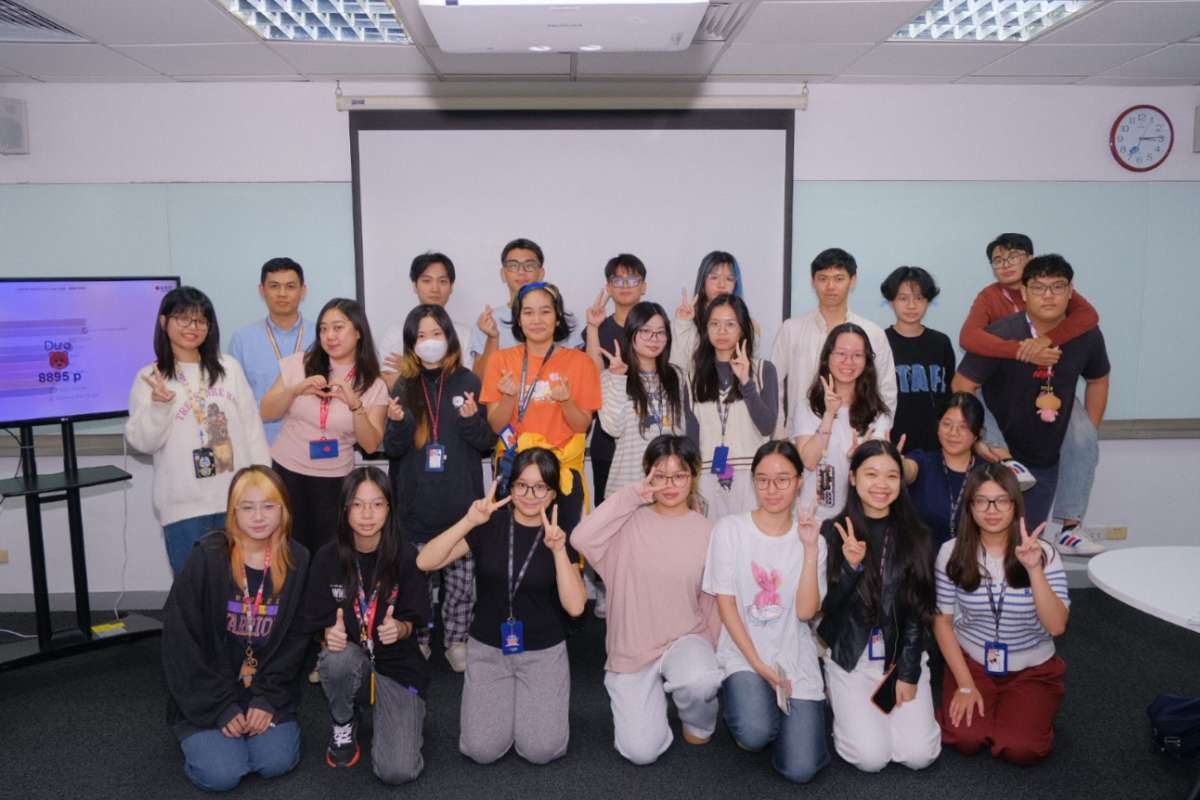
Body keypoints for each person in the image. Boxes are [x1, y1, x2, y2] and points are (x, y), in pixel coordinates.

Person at [416, 449, 588, 765]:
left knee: (541, 751)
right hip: (488, 648)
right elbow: (425, 561)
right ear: (510, 486)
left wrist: (560, 551)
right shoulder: (490, 524)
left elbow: (576, 607)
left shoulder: (558, 533)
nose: (530, 495)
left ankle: (534, 707)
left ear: (551, 493)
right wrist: (469, 521)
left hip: (542, 651)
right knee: (481, 750)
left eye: (540, 488)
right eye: (522, 485)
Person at [570, 435, 721, 766]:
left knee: (701, 679)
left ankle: (697, 718)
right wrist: (632, 495)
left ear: (693, 476)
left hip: (685, 637)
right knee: (640, 752)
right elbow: (580, 538)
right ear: (647, 475)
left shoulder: (708, 531)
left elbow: (712, 600)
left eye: (679, 475)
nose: (669, 484)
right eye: (660, 475)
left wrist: (709, 654)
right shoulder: (627, 522)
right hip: (633, 649)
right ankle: (653, 704)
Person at [161, 465, 310, 792]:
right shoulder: (207, 558)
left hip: (265, 689)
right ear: (233, 512)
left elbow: (297, 641)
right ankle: (206, 740)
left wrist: (268, 698)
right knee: (222, 775)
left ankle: (244, 732)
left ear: (283, 511)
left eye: (269, 506)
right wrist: (221, 707)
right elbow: (180, 642)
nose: (259, 516)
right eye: (248, 507)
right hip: (208, 692)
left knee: (275, 762)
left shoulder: (297, 560)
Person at [952, 254, 1110, 553]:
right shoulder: (1002, 332)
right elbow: (961, 386)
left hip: (1045, 460)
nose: (1048, 295)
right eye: (1038, 287)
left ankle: (1069, 529)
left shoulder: (1086, 334)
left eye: (1057, 287)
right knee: (982, 549)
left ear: (1070, 291)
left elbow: (1098, 379)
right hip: (996, 459)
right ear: (1023, 292)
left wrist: (1084, 436)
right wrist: (980, 439)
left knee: (1025, 548)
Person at [702, 440, 829, 784]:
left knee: (801, 770)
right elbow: (726, 604)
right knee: (754, 733)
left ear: (800, 481)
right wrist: (759, 666)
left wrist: (809, 548)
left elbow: (805, 612)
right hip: (745, 651)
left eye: (783, 480)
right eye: (762, 480)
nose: (772, 490)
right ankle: (753, 702)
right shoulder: (730, 530)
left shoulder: (814, 537)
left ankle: (783, 712)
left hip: (793, 651)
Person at [382, 304, 496, 672]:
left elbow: (485, 443)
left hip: (460, 505)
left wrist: (469, 421)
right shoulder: (403, 384)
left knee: (461, 584)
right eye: (421, 336)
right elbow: (394, 449)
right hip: (416, 506)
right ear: (411, 344)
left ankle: (456, 639)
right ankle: (419, 638)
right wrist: (397, 424)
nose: (430, 342)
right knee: (416, 581)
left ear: (449, 337)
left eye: (436, 334)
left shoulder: (468, 382)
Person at [127, 286, 270, 574]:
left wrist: (263, 490)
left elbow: (252, 431)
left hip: (236, 501)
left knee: (240, 589)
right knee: (194, 594)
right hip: (184, 507)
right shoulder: (150, 378)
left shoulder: (229, 368)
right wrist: (159, 406)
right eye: (183, 319)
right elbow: (142, 443)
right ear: (164, 322)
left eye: (201, 321)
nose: (193, 327)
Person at [818, 440, 941, 773]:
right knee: (871, 758)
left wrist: (909, 671)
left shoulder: (918, 535)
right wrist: (850, 568)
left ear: (901, 482)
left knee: (919, 755)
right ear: (854, 478)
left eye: (891, 476)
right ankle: (839, 696)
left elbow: (919, 611)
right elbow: (826, 607)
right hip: (851, 656)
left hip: (899, 655)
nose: (881, 485)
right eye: (871, 474)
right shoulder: (833, 531)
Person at [934, 464, 1070, 765]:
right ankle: (992, 707)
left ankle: (1026, 710)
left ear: (1015, 505)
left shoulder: (1043, 552)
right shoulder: (951, 552)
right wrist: (965, 683)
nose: (991, 509)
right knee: (965, 739)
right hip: (974, 662)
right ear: (970, 507)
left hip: (1032, 667)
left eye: (1002, 500)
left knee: (1020, 749)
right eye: (981, 500)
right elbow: (942, 622)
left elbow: (1057, 626)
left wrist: (1034, 570)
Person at [304, 467, 431, 782]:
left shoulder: (405, 556)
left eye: (377, 504)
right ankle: (344, 721)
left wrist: (399, 628)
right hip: (353, 664)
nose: (366, 514)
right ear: (345, 509)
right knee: (336, 658)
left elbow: (418, 619)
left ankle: (406, 712)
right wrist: (327, 634)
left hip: (398, 667)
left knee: (397, 771)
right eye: (357, 504)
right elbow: (314, 617)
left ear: (389, 508)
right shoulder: (326, 558)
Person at [261, 297, 389, 555]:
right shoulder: (299, 363)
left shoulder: (374, 384)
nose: (329, 335)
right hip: (288, 472)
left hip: (335, 480)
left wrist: (355, 406)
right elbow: (265, 412)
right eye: (323, 328)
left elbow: (371, 443)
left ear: (358, 332)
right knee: (286, 551)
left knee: (329, 553)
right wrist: (295, 391)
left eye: (338, 327)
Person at [480, 282, 600, 534]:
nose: (537, 319)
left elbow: (582, 426)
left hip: (561, 474)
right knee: (512, 551)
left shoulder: (581, 363)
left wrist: (566, 401)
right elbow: (495, 425)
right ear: (519, 320)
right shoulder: (500, 360)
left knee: (561, 552)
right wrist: (510, 398)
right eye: (528, 312)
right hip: (515, 472)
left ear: (557, 318)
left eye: (545, 311)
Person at [771, 247, 897, 436]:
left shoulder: (873, 333)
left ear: (852, 280)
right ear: (812, 281)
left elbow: (886, 391)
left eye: (839, 278)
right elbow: (774, 386)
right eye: (823, 278)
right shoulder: (791, 329)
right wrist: (780, 437)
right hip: (800, 440)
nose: (830, 286)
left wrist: (875, 439)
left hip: (856, 440)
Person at [685, 294, 778, 519]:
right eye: (714, 324)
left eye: (730, 324)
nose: (722, 331)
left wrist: (746, 382)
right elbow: (692, 439)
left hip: (752, 475)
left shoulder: (763, 370)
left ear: (743, 329)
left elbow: (767, 426)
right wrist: (690, 488)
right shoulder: (692, 376)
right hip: (707, 476)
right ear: (705, 330)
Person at [793, 323, 891, 522]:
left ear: (866, 361)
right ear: (827, 357)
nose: (848, 361)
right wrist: (829, 414)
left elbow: (879, 471)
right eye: (841, 354)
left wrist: (859, 458)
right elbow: (808, 462)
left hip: (858, 519)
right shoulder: (807, 406)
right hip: (812, 517)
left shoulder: (877, 413)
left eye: (857, 355)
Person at [597, 301, 689, 499]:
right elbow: (613, 428)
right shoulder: (610, 377)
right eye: (645, 331)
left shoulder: (678, 377)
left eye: (660, 332)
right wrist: (618, 378)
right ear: (632, 334)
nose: (653, 339)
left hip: (671, 488)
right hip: (628, 487)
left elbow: (685, 433)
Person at [227, 257, 316, 444]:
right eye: (274, 286)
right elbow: (233, 398)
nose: (282, 293)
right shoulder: (242, 339)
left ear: (303, 291)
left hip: (312, 443)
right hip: (260, 444)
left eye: (290, 286)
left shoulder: (321, 337)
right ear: (262, 290)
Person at [583, 253, 649, 503]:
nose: (624, 286)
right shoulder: (599, 326)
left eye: (632, 279)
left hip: (649, 435)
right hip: (608, 437)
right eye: (617, 280)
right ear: (608, 287)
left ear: (643, 287)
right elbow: (592, 375)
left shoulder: (655, 325)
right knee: (609, 514)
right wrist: (592, 328)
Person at [470, 238, 581, 380]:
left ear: (541, 273)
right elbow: (479, 380)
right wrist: (492, 338)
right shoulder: (488, 322)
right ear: (503, 274)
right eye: (513, 265)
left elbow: (579, 375)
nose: (521, 272)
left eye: (529, 265)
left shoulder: (561, 317)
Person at [880, 266, 955, 453]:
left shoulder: (941, 342)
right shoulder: (879, 341)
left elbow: (950, 395)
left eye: (919, 298)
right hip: (891, 441)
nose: (911, 306)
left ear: (928, 301)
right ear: (891, 301)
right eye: (903, 298)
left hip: (936, 443)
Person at [901, 392, 986, 550]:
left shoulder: (988, 473)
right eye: (947, 424)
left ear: (977, 433)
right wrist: (895, 463)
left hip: (972, 567)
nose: (953, 433)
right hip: (922, 566)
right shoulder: (922, 461)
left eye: (963, 427)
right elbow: (908, 470)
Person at [378, 251, 475, 388]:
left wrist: (410, 371)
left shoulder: (464, 334)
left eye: (442, 281)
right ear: (414, 285)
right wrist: (444, 371)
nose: (435, 289)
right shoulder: (395, 332)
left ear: (451, 287)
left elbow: (466, 383)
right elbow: (388, 382)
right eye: (427, 281)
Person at [670, 250, 743, 372]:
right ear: (703, 281)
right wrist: (683, 325)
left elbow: (749, 373)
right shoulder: (685, 321)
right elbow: (677, 370)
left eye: (729, 279)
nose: (722, 284)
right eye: (714, 277)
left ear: (736, 284)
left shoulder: (747, 324)